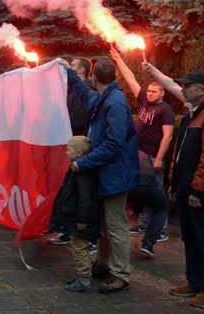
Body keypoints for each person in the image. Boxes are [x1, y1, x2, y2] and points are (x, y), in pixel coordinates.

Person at [58, 58, 139, 294]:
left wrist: (84, 161)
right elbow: (84, 93)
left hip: (116, 175)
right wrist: (70, 72)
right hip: (107, 174)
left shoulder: (114, 103)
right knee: (103, 224)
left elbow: (114, 143)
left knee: (115, 226)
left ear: (94, 77)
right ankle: (103, 265)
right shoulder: (104, 97)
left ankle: (120, 274)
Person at [110, 48, 174, 241]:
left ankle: (160, 230)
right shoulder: (145, 100)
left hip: (154, 157)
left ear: (163, 92)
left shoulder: (166, 110)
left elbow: (168, 136)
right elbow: (131, 80)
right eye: (150, 91)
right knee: (145, 191)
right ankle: (145, 225)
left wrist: (160, 159)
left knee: (157, 194)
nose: (151, 94)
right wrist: (118, 59)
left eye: (155, 91)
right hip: (140, 156)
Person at [166, 70, 204, 308]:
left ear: (202, 89)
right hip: (184, 187)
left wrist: (198, 190)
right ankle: (194, 282)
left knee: (202, 240)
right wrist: (173, 182)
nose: (183, 89)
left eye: (188, 85)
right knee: (189, 238)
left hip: (197, 192)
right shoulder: (191, 114)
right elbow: (179, 153)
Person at [50, 57, 95, 246]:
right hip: (73, 146)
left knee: (76, 190)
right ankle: (66, 228)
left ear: (82, 71)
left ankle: (74, 231)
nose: (69, 68)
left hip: (78, 147)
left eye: (73, 66)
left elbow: (77, 118)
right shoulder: (73, 89)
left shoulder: (85, 90)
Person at [48, 136, 99, 292]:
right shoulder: (79, 170)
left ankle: (84, 280)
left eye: (68, 149)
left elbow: (85, 197)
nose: (65, 152)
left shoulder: (82, 172)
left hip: (81, 219)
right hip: (78, 217)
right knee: (78, 247)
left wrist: (81, 219)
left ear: (78, 153)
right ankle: (83, 276)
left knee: (80, 249)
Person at [127, 150, 170, 257]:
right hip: (149, 185)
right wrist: (136, 211)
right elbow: (144, 194)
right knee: (162, 207)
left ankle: (95, 242)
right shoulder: (144, 154)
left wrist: (136, 211)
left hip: (126, 184)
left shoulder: (119, 149)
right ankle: (148, 243)